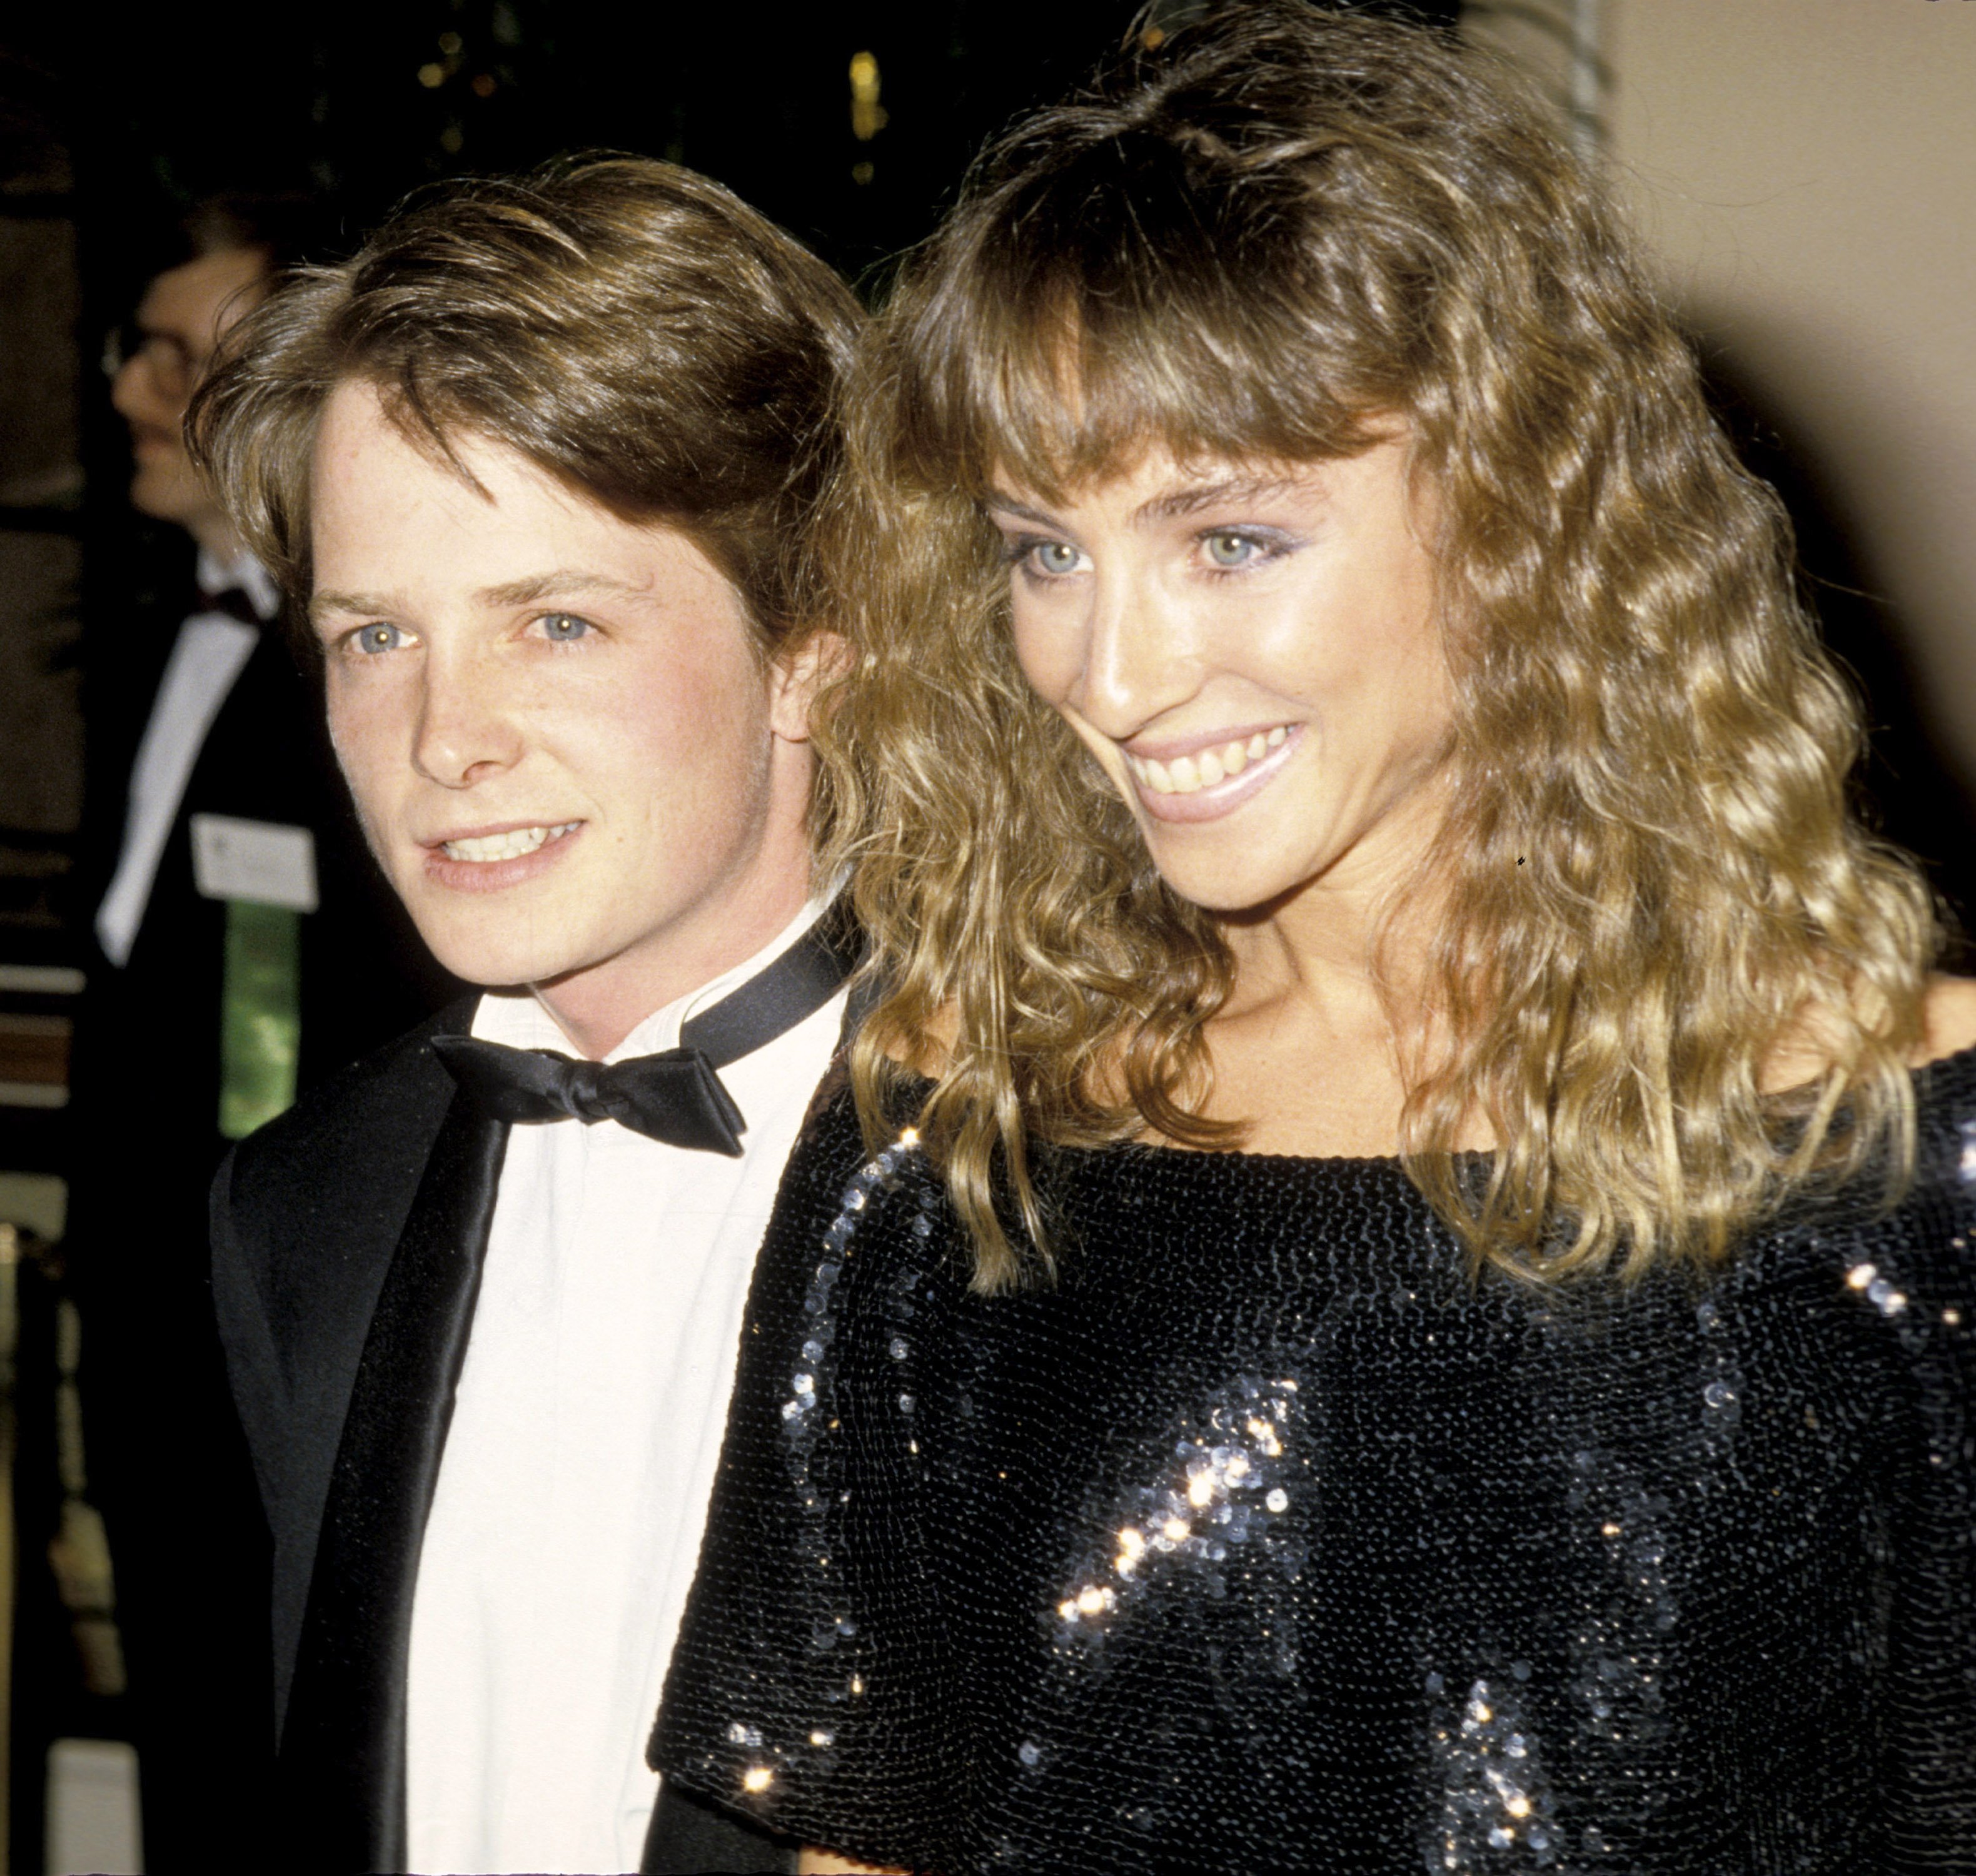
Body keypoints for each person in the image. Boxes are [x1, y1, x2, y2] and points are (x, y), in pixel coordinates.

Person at [650, 7, 1976, 1872]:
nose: (1105, 674)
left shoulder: (1917, 1146)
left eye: (1230, 538)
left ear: (1524, 508)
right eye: (1045, 551)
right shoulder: (958, 1131)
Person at [186, 158, 862, 1875]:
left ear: (812, 646)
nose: (443, 738)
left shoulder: (1090, 1190)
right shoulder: (302, 1209)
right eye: (372, 637)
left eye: (554, 621)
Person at [69, 194, 454, 1873]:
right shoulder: (168, 637)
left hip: (299, 1318)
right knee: (183, 1732)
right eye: (136, 351)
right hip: (150, 1299)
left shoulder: (365, 681)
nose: (132, 393)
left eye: (176, 359)